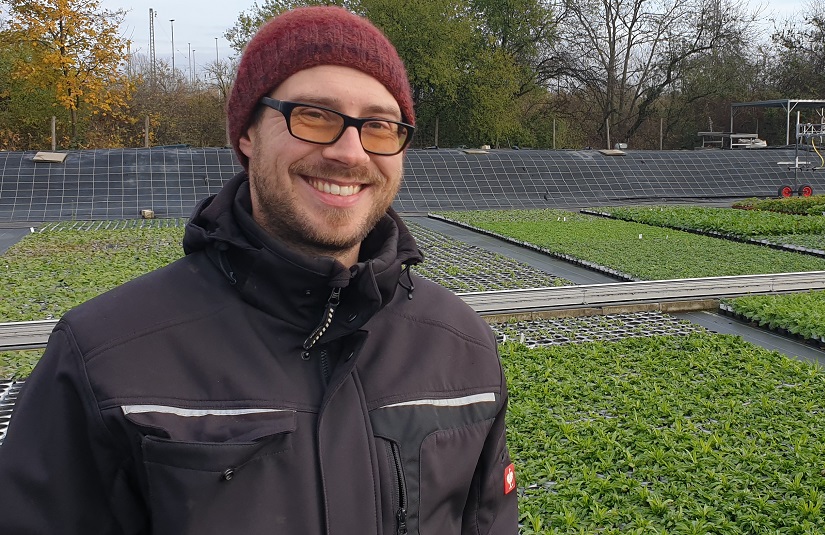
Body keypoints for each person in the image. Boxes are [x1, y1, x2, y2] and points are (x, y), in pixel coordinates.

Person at [0, 6, 518, 534]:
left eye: (380, 126)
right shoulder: (103, 361)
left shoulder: (462, 348)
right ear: (248, 134)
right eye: (314, 115)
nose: (350, 152)